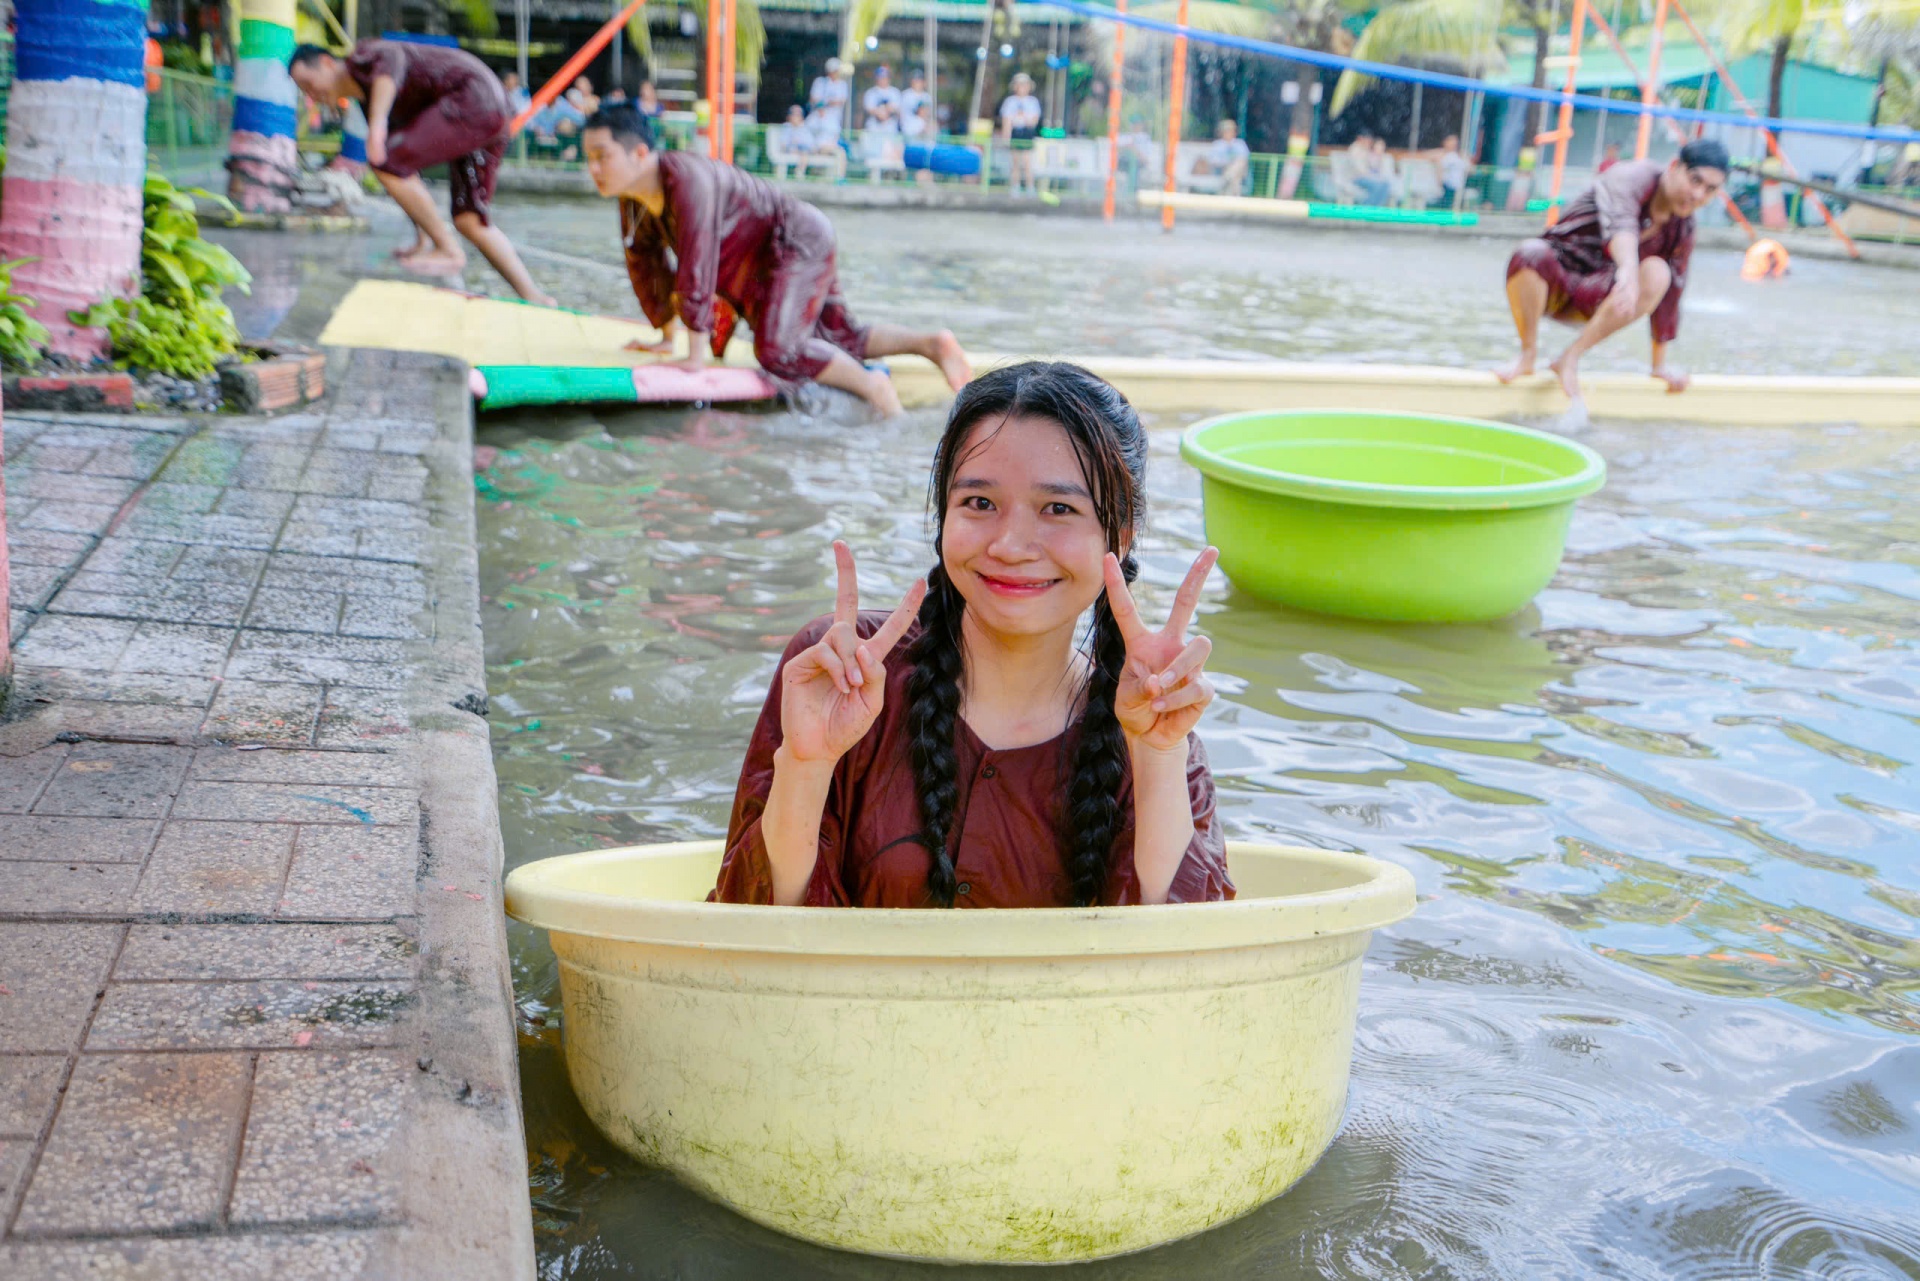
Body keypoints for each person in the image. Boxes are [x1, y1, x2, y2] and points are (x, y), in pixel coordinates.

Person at [711, 361, 1232, 909]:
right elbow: (751, 926)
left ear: (1119, 537)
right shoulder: (841, 669)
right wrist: (808, 764)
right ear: (943, 520)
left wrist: (1155, 757)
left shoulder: (1157, 719)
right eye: (979, 503)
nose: (1010, 544)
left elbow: (1182, 960)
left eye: (1059, 508)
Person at [582, 103, 972, 415]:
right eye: (589, 158)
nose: (594, 169)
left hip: (796, 239)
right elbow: (646, 266)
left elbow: (696, 263)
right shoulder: (633, 201)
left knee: (778, 349)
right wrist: (666, 338)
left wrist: (693, 359)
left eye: (602, 156)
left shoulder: (687, 179)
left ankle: (872, 386)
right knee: (837, 337)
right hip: (778, 251)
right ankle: (933, 344)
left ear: (639, 152)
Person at [289, 41, 553, 303]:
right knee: (469, 219)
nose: (312, 94)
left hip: (473, 98)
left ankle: (448, 250)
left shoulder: (363, 55)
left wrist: (378, 126)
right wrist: (421, 238)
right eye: (304, 91)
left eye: (309, 83)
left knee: (385, 160)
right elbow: (404, 175)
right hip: (488, 112)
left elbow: (392, 59)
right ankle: (535, 296)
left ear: (326, 62)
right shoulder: (369, 100)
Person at [1497, 137, 1729, 420]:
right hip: (1555, 278)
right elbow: (1622, 224)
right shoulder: (1632, 176)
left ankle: (1570, 358)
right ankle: (1527, 355)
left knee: (1659, 273)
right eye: (1695, 180)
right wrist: (1628, 272)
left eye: (1710, 190)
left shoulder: (1684, 228)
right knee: (1530, 253)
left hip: (1598, 298)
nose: (1698, 194)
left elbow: (1672, 295)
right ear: (1674, 167)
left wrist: (1659, 367)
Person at [1000, 72, 1042, 195]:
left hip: (1027, 133)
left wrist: (1024, 117)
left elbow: (1034, 121)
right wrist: (1006, 137)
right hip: (1015, 133)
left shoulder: (1033, 102)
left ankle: (1030, 187)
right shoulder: (1010, 102)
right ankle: (1015, 186)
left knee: (1028, 162)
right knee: (1015, 162)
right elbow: (1007, 121)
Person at [1192, 119, 1249, 195]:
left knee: (1239, 164)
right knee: (1235, 179)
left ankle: (1228, 177)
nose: (1228, 133)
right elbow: (1212, 160)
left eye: (1230, 130)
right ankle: (1233, 201)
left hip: (1238, 170)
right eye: (1226, 130)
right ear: (1222, 132)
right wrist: (1225, 162)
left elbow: (1244, 158)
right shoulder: (1217, 145)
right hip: (1222, 169)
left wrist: (1232, 163)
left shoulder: (1240, 144)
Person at [808, 57, 852, 141]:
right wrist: (822, 106)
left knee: (830, 140)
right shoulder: (820, 82)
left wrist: (826, 102)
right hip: (817, 116)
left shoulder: (842, 85)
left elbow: (841, 101)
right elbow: (813, 99)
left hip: (833, 119)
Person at [862, 65, 901, 131]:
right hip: (873, 126)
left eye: (885, 77)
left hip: (891, 126)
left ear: (889, 78)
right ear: (876, 78)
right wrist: (880, 112)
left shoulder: (895, 92)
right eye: (880, 77)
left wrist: (884, 110)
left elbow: (896, 108)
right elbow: (869, 109)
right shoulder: (870, 92)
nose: (883, 79)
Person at [1435, 133, 1469, 207]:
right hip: (1448, 185)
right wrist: (1439, 181)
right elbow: (1440, 169)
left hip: (1458, 185)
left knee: (1457, 203)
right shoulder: (1442, 155)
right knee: (1446, 204)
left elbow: (1469, 169)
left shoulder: (1460, 155)